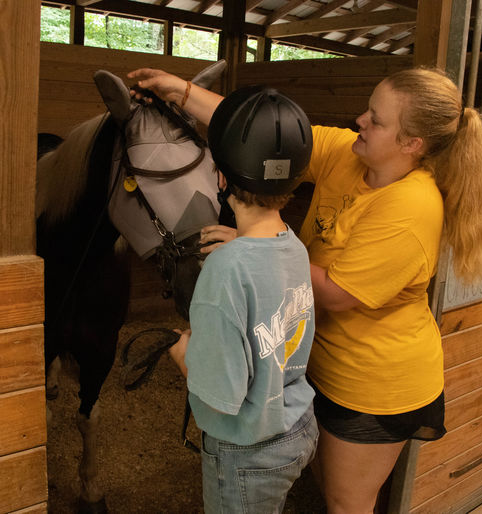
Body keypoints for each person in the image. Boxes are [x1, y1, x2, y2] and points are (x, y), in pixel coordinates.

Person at [129, 66, 482, 513]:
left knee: (346, 503)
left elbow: (338, 293)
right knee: (322, 489)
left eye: (376, 120)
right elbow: (265, 133)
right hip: (310, 363)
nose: (360, 120)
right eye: (368, 110)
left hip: (371, 384)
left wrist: (254, 244)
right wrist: (180, 92)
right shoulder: (352, 154)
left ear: (411, 144)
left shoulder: (412, 207)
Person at [162, 85, 319, 513]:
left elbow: (220, 394)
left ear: (221, 178)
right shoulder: (294, 245)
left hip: (248, 450)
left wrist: (184, 356)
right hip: (298, 425)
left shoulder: (225, 268)